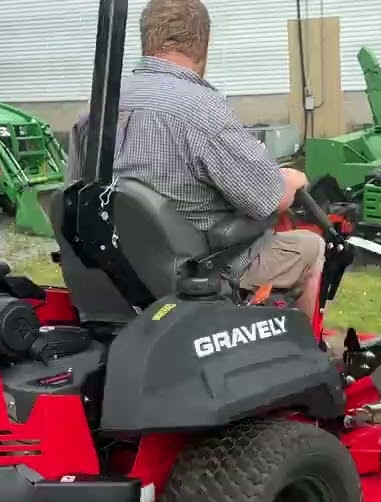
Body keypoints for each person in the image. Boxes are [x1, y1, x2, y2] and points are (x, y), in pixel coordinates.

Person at [63, 0, 326, 318]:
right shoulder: (203, 112)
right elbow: (268, 198)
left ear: (147, 40)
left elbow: (75, 197)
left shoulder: (94, 112)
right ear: (204, 42)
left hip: (115, 270)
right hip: (197, 273)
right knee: (312, 247)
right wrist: (293, 178)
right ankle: (307, 354)